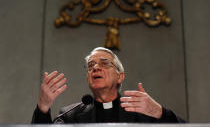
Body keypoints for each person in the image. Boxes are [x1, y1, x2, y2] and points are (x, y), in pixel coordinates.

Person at [32, 47, 185, 123]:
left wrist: (160, 112)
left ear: (120, 76)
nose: (96, 68)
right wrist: (43, 108)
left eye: (105, 63)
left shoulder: (143, 113)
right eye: (91, 66)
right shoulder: (70, 116)